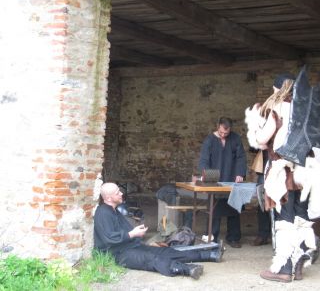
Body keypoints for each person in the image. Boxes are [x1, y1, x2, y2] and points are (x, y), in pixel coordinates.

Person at [245, 71, 320, 282]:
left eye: (274, 89)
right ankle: (298, 268)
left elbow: (261, 140)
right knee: (301, 220)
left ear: (280, 89)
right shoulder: (309, 110)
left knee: (285, 219)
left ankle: (284, 269)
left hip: (283, 173)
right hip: (306, 175)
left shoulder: (276, 109)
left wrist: (254, 129)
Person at [94, 182, 225, 279]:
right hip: (117, 254)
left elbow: (123, 233)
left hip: (131, 246)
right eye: (117, 192)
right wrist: (133, 233)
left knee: (166, 251)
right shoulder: (103, 212)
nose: (121, 193)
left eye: (119, 191)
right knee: (153, 259)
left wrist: (136, 232)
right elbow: (109, 238)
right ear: (109, 198)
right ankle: (187, 270)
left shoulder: (113, 210)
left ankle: (210, 255)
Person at [198, 117, 247, 248]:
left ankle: (234, 238)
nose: (223, 135)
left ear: (230, 129)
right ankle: (212, 237)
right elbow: (204, 160)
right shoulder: (209, 140)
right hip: (215, 179)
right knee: (214, 210)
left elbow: (241, 157)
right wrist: (207, 176)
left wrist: (240, 174)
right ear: (218, 127)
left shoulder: (235, 138)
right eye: (221, 133)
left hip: (232, 178)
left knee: (234, 208)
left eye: (226, 133)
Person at [251, 149, 271, 246]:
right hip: (264, 170)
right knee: (262, 202)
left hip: (281, 167)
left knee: (282, 202)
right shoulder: (264, 133)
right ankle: (263, 234)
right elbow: (252, 147)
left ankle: (279, 234)